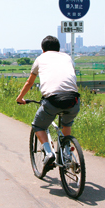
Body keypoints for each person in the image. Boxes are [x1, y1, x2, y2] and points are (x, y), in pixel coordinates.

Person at [16, 36, 80, 172]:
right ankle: (67, 152)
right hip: (73, 100)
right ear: (58, 48)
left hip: (52, 100)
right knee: (66, 124)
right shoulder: (67, 57)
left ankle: (49, 153)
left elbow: (29, 82)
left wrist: (20, 98)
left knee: (38, 125)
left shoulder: (40, 59)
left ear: (43, 49)